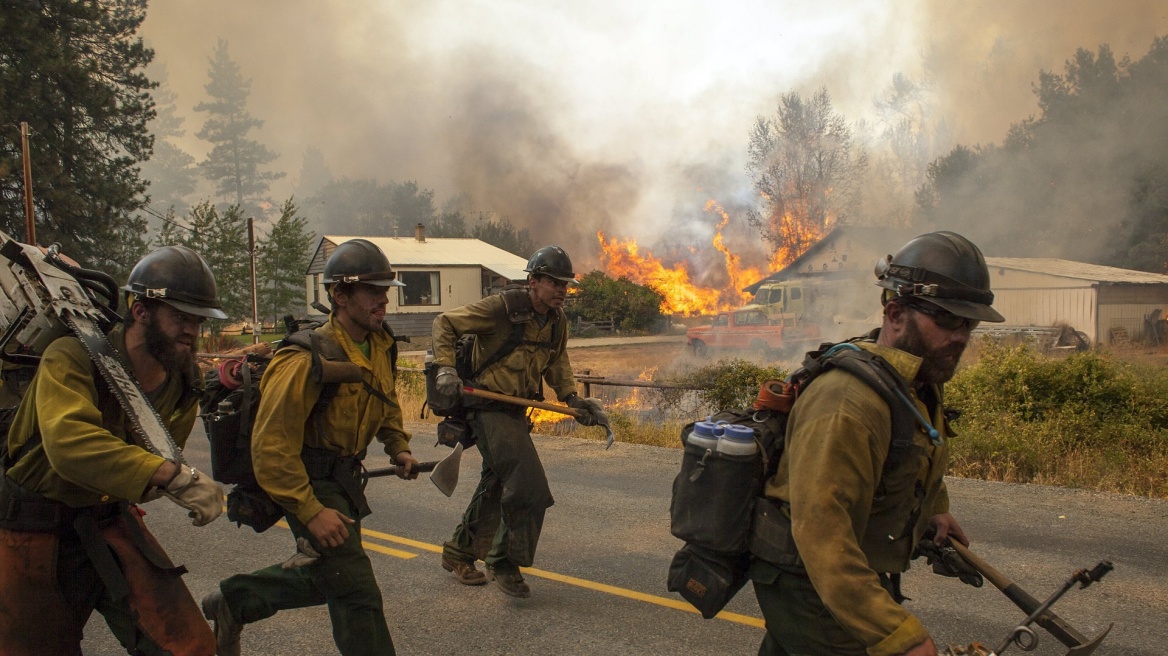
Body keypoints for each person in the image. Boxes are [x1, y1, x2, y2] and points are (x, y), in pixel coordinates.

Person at [751, 231, 1006, 656]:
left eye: (968, 323)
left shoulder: (914, 380)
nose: (960, 336)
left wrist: (935, 508)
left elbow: (920, 447)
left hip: (846, 574)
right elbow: (821, 534)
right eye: (945, 319)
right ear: (895, 313)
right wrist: (897, 634)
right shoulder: (847, 403)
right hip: (808, 583)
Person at [0, 245, 228, 655]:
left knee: (190, 646)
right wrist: (171, 476)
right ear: (140, 311)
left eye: (198, 320)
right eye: (180, 317)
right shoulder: (71, 356)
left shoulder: (183, 380)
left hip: (106, 519)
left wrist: (164, 477)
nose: (192, 331)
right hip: (30, 524)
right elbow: (70, 444)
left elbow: (161, 455)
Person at [201, 238, 418, 656]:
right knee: (357, 590)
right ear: (339, 294)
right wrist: (310, 511)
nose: (383, 301)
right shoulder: (305, 358)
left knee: (337, 577)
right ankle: (237, 598)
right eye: (373, 291)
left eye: (386, 291)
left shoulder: (380, 344)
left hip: (345, 478)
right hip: (307, 481)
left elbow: (385, 401)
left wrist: (398, 447)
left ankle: (235, 600)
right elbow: (271, 447)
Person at [434, 245, 607, 598]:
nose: (562, 290)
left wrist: (573, 399)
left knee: (497, 485)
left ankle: (458, 553)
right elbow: (445, 323)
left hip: (515, 412)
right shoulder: (502, 309)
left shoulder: (557, 322)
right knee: (530, 489)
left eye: (566, 284)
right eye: (554, 282)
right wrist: (446, 368)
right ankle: (503, 561)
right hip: (486, 407)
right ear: (533, 281)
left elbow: (557, 363)